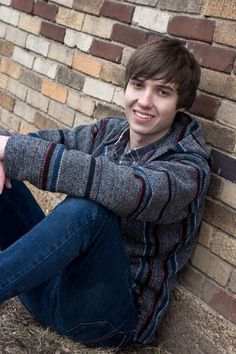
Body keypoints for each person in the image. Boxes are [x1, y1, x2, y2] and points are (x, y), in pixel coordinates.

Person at [0, 38, 211, 349]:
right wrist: (3, 151)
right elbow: (40, 141)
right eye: (138, 85)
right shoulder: (110, 132)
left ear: (181, 103)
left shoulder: (188, 167)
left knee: (90, 210)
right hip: (47, 290)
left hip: (104, 320)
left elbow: (128, 190)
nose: (144, 100)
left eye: (162, 92)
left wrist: (11, 150)